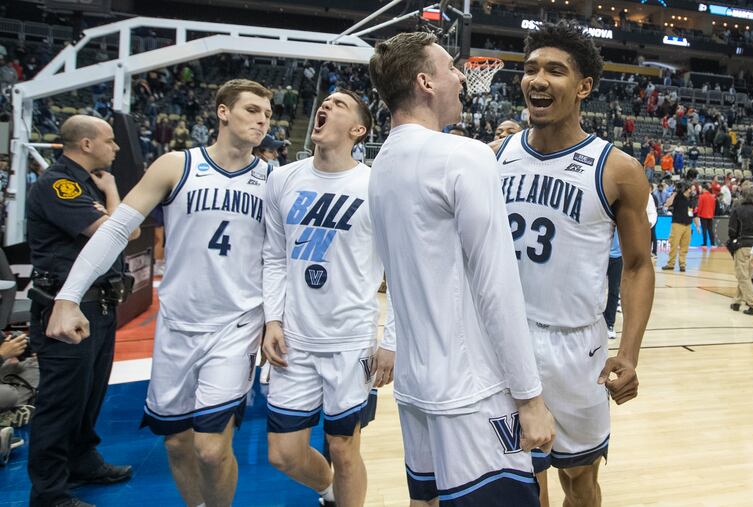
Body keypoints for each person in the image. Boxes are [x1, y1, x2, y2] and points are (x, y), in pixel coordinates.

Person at [45, 80, 273, 507]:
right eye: (252, 109)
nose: (262, 119)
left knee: (210, 447)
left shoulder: (274, 180)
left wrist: (277, 320)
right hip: (178, 323)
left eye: (267, 113)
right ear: (223, 112)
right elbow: (115, 228)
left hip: (236, 324)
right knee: (176, 444)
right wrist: (67, 297)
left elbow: (280, 259)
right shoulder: (176, 165)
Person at [368, 32, 554, 506]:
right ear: (425, 82)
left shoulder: (381, 162)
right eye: (451, 67)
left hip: (417, 385)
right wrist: (530, 397)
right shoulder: (463, 155)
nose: (460, 76)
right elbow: (497, 286)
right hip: (472, 390)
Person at [494, 21, 654, 507]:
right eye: (531, 69)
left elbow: (638, 266)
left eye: (555, 70)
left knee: (580, 481)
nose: (537, 79)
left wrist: (628, 354)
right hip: (505, 341)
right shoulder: (495, 156)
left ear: (584, 86)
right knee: (523, 480)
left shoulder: (618, 169)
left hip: (574, 349)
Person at [262, 89, 395, 507]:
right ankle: (329, 493)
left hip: (350, 341)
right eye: (325, 101)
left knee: (344, 449)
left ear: (358, 130)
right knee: (283, 455)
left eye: (338, 105)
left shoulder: (376, 186)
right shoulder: (282, 178)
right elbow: (274, 257)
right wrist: (272, 320)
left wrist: (391, 340)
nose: (325, 105)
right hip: (294, 340)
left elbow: (403, 272)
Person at [26, 115, 137, 507]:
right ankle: (50, 492)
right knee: (61, 402)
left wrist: (108, 194)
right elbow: (116, 231)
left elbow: (129, 230)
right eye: (110, 141)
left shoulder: (88, 183)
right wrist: (112, 194)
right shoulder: (60, 183)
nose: (117, 147)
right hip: (66, 306)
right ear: (86, 144)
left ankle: (82, 460)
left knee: (90, 393)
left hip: (99, 303)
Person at [729, 185, 753, 315]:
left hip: (743, 245)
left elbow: (732, 231)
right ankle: (737, 302)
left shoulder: (738, 210)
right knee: (747, 275)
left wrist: (733, 242)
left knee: (742, 276)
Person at [663, 181, 699, 272]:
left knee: (685, 246)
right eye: (692, 188)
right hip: (677, 224)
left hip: (688, 226)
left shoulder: (692, 200)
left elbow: (694, 213)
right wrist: (674, 194)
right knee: (674, 245)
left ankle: (682, 264)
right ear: (688, 189)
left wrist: (697, 226)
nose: (694, 190)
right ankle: (671, 264)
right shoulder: (678, 196)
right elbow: (667, 204)